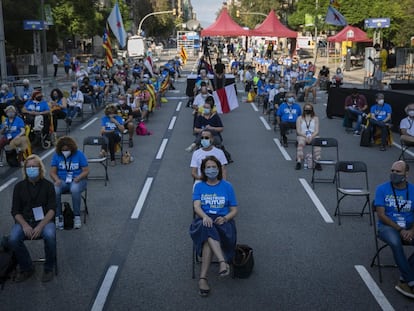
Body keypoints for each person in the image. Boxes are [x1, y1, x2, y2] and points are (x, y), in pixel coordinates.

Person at [189, 156, 238, 297]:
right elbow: (196, 206)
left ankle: (203, 279)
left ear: (218, 169)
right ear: (203, 170)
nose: (211, 170)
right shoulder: (199, 186)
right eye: (208, 167)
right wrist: (205, 216)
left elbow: (234, 210)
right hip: (204, 219)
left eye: (214, 167)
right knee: (206, 226)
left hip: (223, 222)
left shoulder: (227, 186)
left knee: (208, 239)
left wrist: (225, 217)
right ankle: (222, 262)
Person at [9, 154, 56, 282]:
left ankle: (49, 268)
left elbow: (52, 210)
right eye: (28, 167)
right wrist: (24, 225)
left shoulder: (48, 186)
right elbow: (15, 211)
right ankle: (27, 267)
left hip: (45, 221)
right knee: (13, 239)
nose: (31, 169)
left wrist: (41, 226)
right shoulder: (19, 187)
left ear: (40, 168)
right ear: (25, 169)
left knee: (50, 236)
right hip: (25, 222)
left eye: (34, 166)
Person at [375, 160, 414, 298]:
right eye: (392, 171)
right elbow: (381, 214)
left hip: (408, 227)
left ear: (406, 174)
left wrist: (411, 231)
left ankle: (404, 278)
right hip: (388, 227)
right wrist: (400, 229)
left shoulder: (413, 190)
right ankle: (411, 282)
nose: (394, 174)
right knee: (396, 242)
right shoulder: (382, 189)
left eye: (398, 171)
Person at [50, 136, 89, 230]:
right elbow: (52, 172)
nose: (65, 152)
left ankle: (77, 216)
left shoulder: (79, 154)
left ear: (72, 148)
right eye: (63, 150)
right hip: (62, 181)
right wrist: (56, 179)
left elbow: (86, 171)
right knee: (55, 190)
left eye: (67, 150)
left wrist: (79, 177)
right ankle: (58, 216)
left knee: (75, 189)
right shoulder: (57, 155)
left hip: (77, 180)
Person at [295, 103, 321, 170]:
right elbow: (298, 131)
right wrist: (305, 136)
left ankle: (318, 161)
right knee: (301, 142)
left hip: (313, 134)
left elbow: (317, 131)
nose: (308, 110)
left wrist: (311, 136)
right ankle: (299, 161)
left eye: (309, 109)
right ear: (304, 110)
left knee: (317, 142)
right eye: (306, 109)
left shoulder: (316, 118)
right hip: (302, 135)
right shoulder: (299, 118)